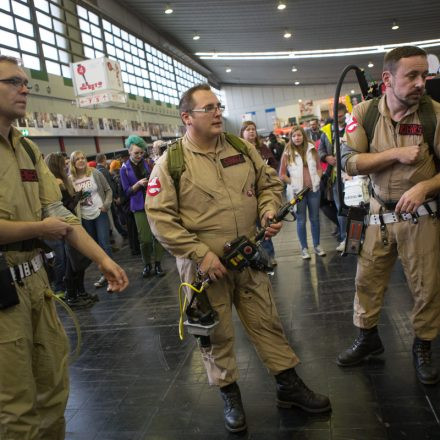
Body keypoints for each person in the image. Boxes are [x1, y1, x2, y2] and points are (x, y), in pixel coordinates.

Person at [146, 84, 330, 433]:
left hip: (246, 257)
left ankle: (287, 385)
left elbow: (269, 185)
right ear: (187, 117)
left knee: (266, 320)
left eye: (218, 106)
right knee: (216, 335)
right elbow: (160, 220)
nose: (217, 113)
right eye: (208, 108)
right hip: (203, 270)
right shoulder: (171, 163)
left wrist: (267, 213)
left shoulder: (240, 147)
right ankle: (229, 393)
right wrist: (201, 255)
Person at [0, 55, 128, 439]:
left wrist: (103, 258)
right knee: (16, 407)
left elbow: (57, 210)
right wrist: (41, 227)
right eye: (13, 81)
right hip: (2, 295)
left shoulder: (25, 149)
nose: (24, 88)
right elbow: (48, 220)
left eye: (26, 81)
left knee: (55, 391)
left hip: (37, 285)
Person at [338, 46, 440, 385]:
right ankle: (368, 338)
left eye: (423, 75)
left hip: (421, 217)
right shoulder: (364, 113)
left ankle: (423, 346)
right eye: (411, 75)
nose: (420, 83)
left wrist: (425, 187)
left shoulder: (434, 115)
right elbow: (349, 162)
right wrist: (395, 153)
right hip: (376, 215)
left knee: (426, 287)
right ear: (387, 79)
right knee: (365, 281)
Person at [44, 152, 96, 308]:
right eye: (63, 163)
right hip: (68, 225)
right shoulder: (58, 181)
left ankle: (78, 292)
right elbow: (65, 206)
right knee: (74, 263)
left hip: (68, 224)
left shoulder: (56, 181)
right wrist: (77, 197)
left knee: (74, 262)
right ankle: (74, 294)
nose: (66, 165)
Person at [120, 135, 165, 277]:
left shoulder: (149, 162)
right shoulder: (124, 169)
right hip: (138, 206)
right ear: (129, 152)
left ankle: (158, 264)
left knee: (158, 236)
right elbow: (126, 192)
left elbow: (159, 179)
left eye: (141, 152)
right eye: (136, 153)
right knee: (145, 239)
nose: (139, 155)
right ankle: (147, 264)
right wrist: (137, 185)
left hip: (154, 202)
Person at [279, 125, 326, 259]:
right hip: (297, 193)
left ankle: (317, 246)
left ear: (303, 136)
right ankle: (304, 248)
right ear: (291, 138)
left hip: (313, 190)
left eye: (299, 135)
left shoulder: (312, 149)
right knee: (301, 220)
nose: (297, 138)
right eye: (294, 136)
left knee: (315, 219)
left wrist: (317, 179)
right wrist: (293, 184)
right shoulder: (287, 152)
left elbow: (319, 167)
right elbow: (282, 174)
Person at [69, 150, 113, 289]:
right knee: (93, 247)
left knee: (105, 243)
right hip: (85, 217)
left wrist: (106, 205)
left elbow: (108, 190)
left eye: (83, 158)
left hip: (100, 212)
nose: (81, 160)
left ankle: (111, 273)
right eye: (77, 159)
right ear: (73, 163)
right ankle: (103, 274)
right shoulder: (70, 179)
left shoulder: (95, 172)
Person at [239, 120, 277, 265]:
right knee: (249, 230)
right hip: (245, 195)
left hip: (261, 192)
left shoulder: (263, 148)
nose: (251, 131)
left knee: (265, 225)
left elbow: (273, 164)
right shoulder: (238, 150)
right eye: (248, 129)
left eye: (253, 129)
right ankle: (254, 258)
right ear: (242, 132)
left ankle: (269, 256)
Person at [319, 103, 348, 251]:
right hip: (336, 177)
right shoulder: (326, 131)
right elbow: (320, 151)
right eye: (336, 116)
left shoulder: (354, 127)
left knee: (358, 208)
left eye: (341, 115)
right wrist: (326, 157)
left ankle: (361, 238)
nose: (338, 118)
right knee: (341, 208)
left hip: (354, 176)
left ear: (345, 113)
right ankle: (344, 238)